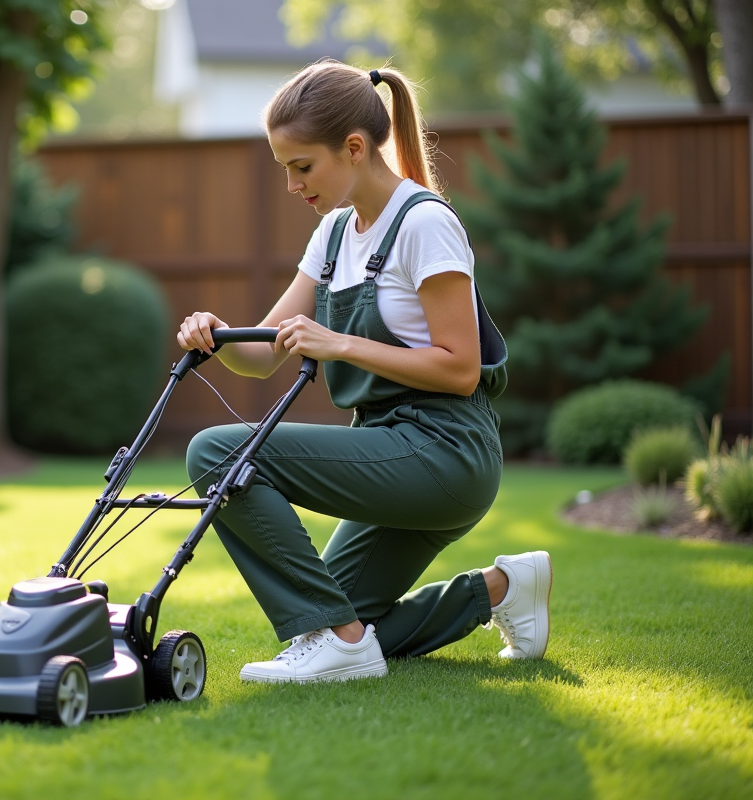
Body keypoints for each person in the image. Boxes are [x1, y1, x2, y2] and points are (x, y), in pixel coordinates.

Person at [179, 61, 552, 683]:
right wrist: (217, 336)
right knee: (352, 616)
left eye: (303, 167)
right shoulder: (331, 236)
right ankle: (501, 589)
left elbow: (460, 370)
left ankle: (337, 642)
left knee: (218, 452)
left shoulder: (425, 225)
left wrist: (342, 344)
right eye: (285, 170)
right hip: (389, 448)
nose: (293, 185)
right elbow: (265, 353)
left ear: (354, 148)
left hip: (447, 450)